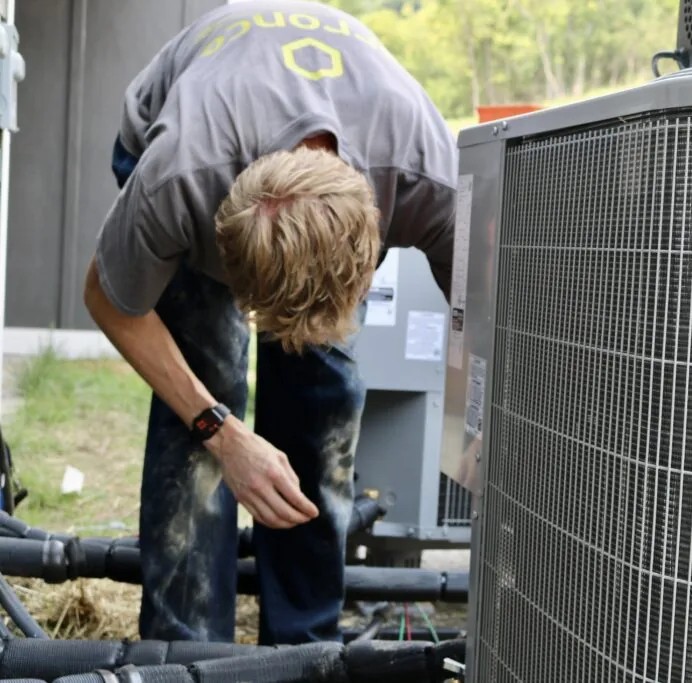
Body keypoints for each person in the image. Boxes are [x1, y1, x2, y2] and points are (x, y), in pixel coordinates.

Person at [82, 0, 456, 646]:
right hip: (178, 133)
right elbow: (110, 299)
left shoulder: (430, 173)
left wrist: (478, 434)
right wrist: (221, 431)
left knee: (324, 397)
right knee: (205, 388)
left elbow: (484, 323)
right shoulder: (179, 178)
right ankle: (186, 646)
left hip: (332, 161)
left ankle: (305, 643)